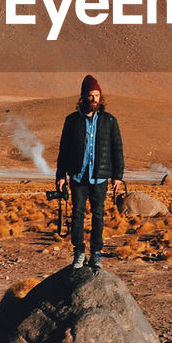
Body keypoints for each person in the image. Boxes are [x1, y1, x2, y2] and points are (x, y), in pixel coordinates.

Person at [55, 74, 124, 271]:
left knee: (98, 214)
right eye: (90, 95)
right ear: (83, 97)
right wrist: (61, 175)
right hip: (77, 175)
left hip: (100, 175)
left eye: (96, 95)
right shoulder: (72, 121)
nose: (94, 99)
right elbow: (64, 149)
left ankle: (96, 253)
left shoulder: (109, 121)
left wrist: (117, 176)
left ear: (100, 97)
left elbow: (117, 148)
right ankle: (79, 251)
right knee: (77, 214)